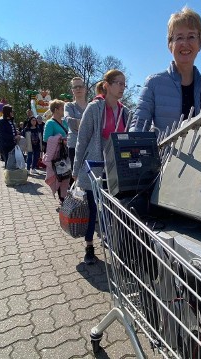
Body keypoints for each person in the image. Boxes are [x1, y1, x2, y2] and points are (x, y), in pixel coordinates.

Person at [130, 6, 201, 133]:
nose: (185, 43)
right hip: (164, 153)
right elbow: (139, 125)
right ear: (170, 44)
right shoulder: (154, 83)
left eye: (191, 36)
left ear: (200, 43)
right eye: (179, 37)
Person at [73, 69, 130, 265]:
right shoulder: (94, 108)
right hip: (93, 168)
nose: (122, 87)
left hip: (115, 170)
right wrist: (75, 170)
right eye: (119, 83)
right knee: (92, 210)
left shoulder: (126, 112)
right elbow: (82, 140)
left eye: (124, 84)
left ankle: (113, 242)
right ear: (107, 85)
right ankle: (89, 246)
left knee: (114, 209)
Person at [65, 77, 88, 168]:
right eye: (75, 87)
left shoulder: (91, 106)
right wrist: (88, 124)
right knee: (75, 176)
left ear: (85, 89)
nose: (78, 89)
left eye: (80, 86)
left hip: (90, 146)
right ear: (72, 90)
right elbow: (70, 121)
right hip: (74, 145)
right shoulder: (69, 105)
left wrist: (79, 123)